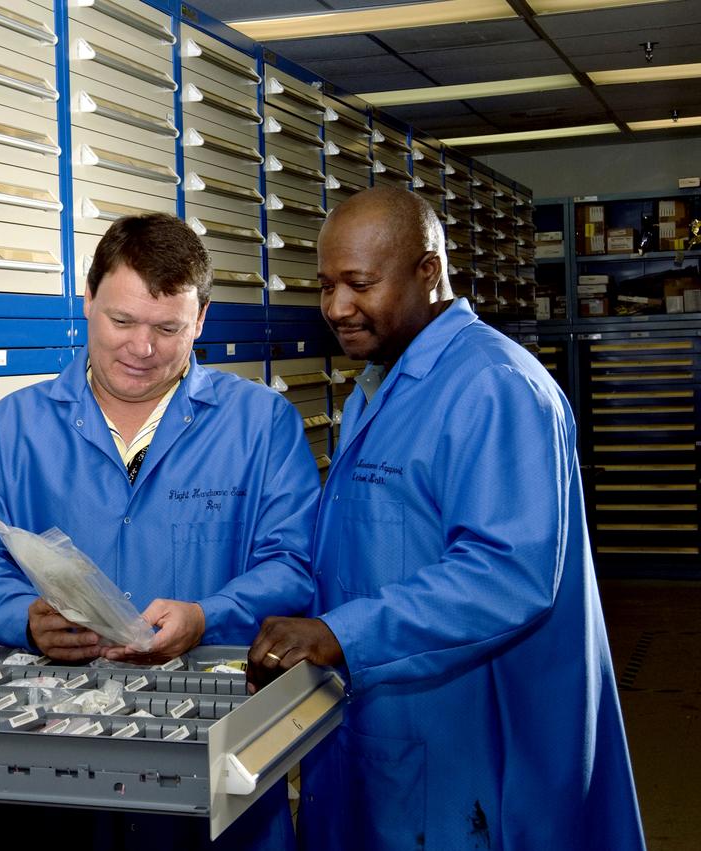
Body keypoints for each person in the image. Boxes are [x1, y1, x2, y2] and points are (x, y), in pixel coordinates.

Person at [247, 186, 646, 850]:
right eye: (324, 286)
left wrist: (337, 634)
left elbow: (505, 574)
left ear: (428, 272)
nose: (336, 307)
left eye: (359, 283)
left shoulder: (493, 386)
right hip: (383, 727)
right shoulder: (377, 385)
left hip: (471, 754)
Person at [0, 213, 321, 849]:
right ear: (87, 301)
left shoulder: (261, 425)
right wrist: (23, 616)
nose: (142, 348)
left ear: (200, 321)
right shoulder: (14, 428)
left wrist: (209, 614)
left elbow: (294, 564)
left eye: (168, 328)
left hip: (212, 738)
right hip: (52, 747)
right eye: (121, 321)